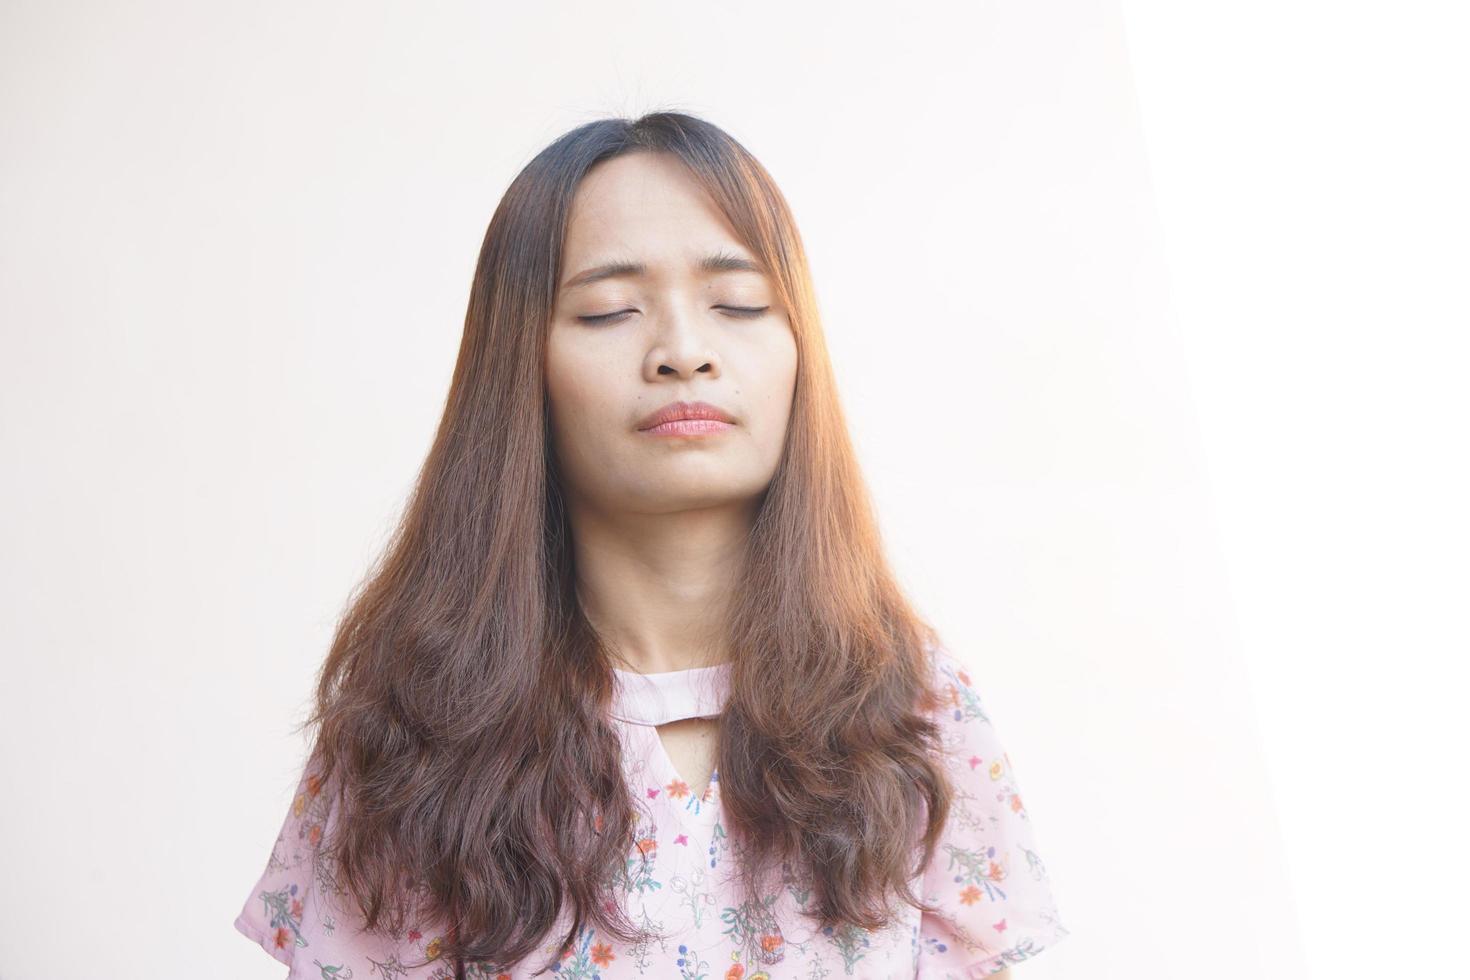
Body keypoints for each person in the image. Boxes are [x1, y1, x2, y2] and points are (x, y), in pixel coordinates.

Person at [233, 111, 1069, 979]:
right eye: (610, 310)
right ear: (520, 370)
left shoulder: (911, 706)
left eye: (738, 303)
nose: (683, 351)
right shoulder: (416, 723)